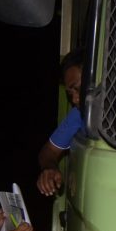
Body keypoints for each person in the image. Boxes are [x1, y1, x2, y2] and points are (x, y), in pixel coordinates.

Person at [36, 49, 84, 196]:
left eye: (78, 89)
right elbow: (48, 151)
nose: (75, 99)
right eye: (70, 93)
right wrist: (50, 168)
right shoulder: (78, 114)